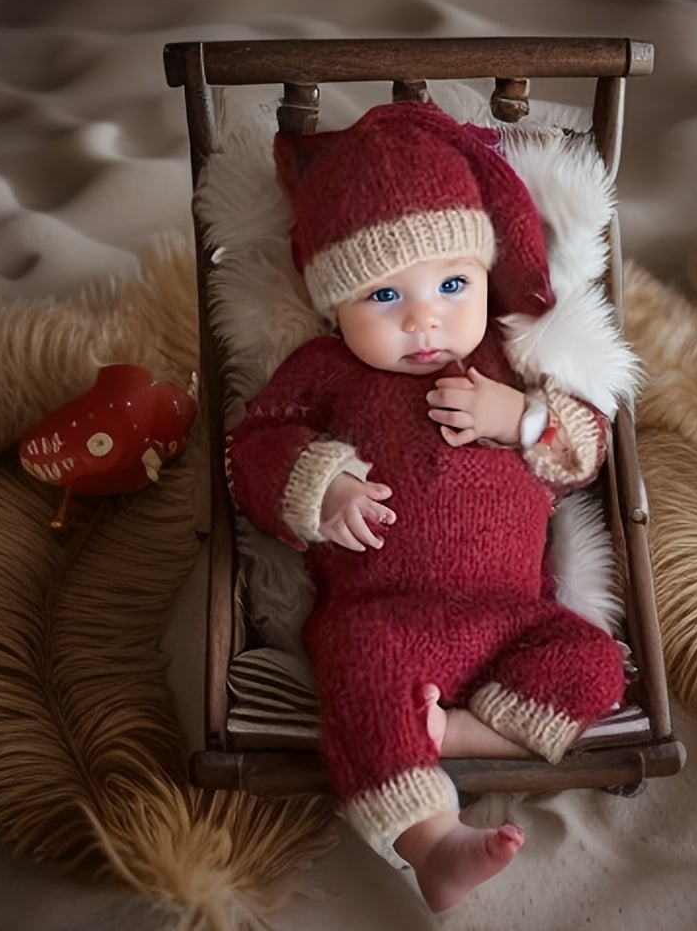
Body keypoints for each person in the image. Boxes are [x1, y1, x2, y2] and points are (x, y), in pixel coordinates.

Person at [226, 101, 627, 913]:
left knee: (596, 664)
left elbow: (588, 447)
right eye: (382, 295)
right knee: (359, 676)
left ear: (483, 275)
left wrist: (520, 419)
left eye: (452, 283)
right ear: (332, 304)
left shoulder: (512, 362)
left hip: (512, 613)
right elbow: (254, 449)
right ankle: (431, 842)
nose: (423, 319)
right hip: (385, 614)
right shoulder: (325, 371)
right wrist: (321, 484)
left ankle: (452, 734)